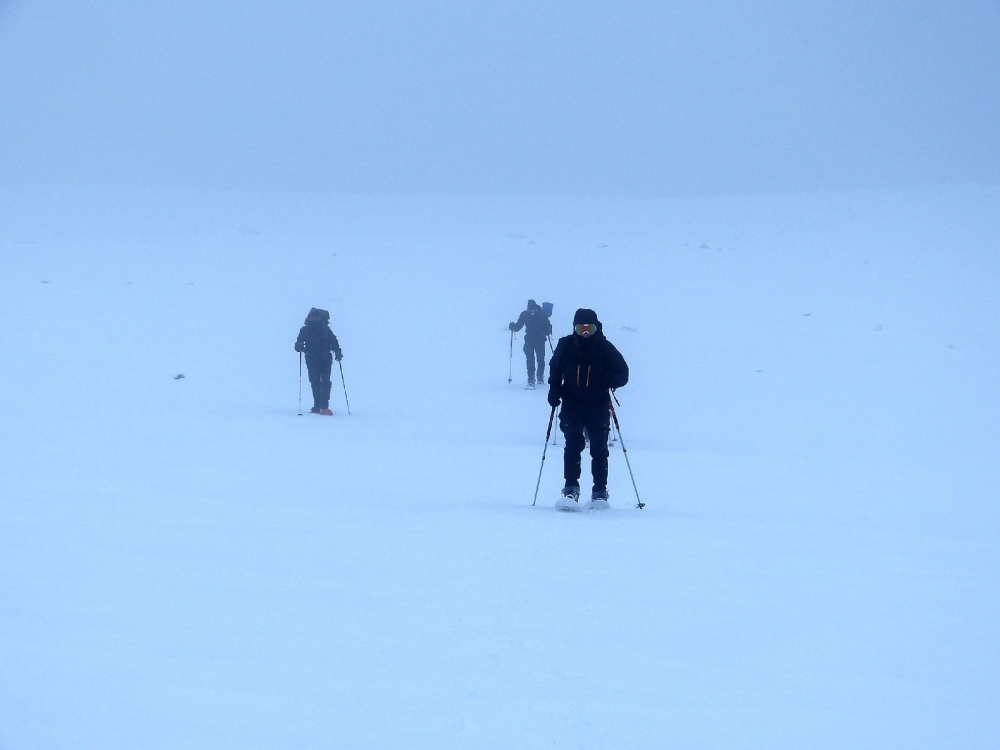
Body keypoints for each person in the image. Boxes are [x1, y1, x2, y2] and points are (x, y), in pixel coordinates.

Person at [547, 308, 629, 510]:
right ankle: (571, 489)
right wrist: (554, 390)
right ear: (575, 328)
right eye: (581, 328)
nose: (585, 333)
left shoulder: (604, 347)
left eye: (589, 329)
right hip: (572, 403)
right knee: (573, 444)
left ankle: (600, 493)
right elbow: (556, 368)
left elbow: (623, 373)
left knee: (599, 447)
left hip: (598, 403)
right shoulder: (565, 345)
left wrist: (605, 382)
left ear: (596, 328)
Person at [294, 307, 343, 415]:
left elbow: (334, 341)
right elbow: (297, 344)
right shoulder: (305, 330)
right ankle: (317, 405)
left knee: (325, 381)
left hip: (324, 358)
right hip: (312, 358)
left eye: (316, 317)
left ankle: (324, 406)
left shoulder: (324, 329)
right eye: (313, 317)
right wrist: (299, 346)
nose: (314, 319)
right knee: (314, 381)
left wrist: (338, 352)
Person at [508, 299, 552, 388]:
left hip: (538, 340)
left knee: (539, 360)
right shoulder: (526, 314)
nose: (532, 312)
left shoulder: (541, 314)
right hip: (531, 340)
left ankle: (538, 379)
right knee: (532, 360)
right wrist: (513, 327)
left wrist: (547, 331)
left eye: (533, 310)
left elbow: (548, 326)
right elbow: (518, 326)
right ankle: (532, 379)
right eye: (530, 310)